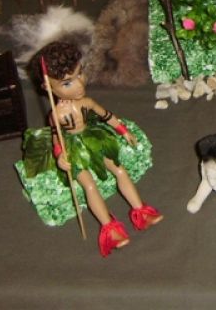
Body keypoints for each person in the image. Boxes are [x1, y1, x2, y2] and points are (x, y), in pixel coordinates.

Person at [24, 41, 162, 256]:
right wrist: (60, 156)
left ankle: (141, 211)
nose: (80, 84)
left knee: (119, 170)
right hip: (73, 147)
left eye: (80, 73)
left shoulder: (86, 102)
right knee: (89, 185)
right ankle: (110, 228)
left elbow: (106, 116)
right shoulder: (56, 115)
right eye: (67, 83)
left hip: (93, 138)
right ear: (48, 87)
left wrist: (123, 130)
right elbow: (56, 137)